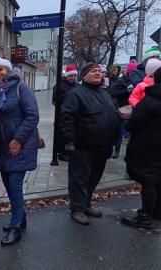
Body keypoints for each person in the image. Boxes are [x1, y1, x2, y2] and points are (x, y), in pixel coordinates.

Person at [61, 62, 120, 225]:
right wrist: (69, 144)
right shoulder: (76, 94)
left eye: (100, 71)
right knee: (79, 179)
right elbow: (67, 120)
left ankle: (86, 204)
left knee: (94, 178)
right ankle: (77, 209)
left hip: (102, 145)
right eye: (93, 71)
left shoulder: (105, 94)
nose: (98, 73)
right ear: (84, 75)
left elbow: (112, 116)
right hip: (82, 146)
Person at [0, 58, 40, 245]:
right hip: (3, 146)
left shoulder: (20, 88)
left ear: (8, 70)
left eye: (0, 69)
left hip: (21, 144)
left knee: (15, 185)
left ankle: (15, 227)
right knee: (8, 185)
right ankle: (21, 218)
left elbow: (32, 115)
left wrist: (18, 139)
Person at [121, 67, 161, 229]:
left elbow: (134, 123)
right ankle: (157, 211)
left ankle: (145, 217)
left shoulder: (151, 100)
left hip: (148, 147)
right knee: (158, 179)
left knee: (148, 180)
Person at [52, 65, 78, 161]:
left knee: (71, 136)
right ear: (66, 76)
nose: (73, 78)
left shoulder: (77, 86)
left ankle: (70, 152)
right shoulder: (59, 85)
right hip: (62, 115)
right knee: (62, 136)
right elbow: (55, 100)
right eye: (71, 76)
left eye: (74, 76)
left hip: (75, 116)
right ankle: (61, 153)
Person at [108, 64, 134, 159]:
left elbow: (127, 94)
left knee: (119, 130)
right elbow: (112, 93)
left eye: (117, 70)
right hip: (110, 108)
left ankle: (117, 150)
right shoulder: (107, 81)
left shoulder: (123, 81)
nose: (115, 71)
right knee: (110, 130)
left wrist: (127, 91)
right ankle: (109, 148)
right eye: (114, 70)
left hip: (121, 108)